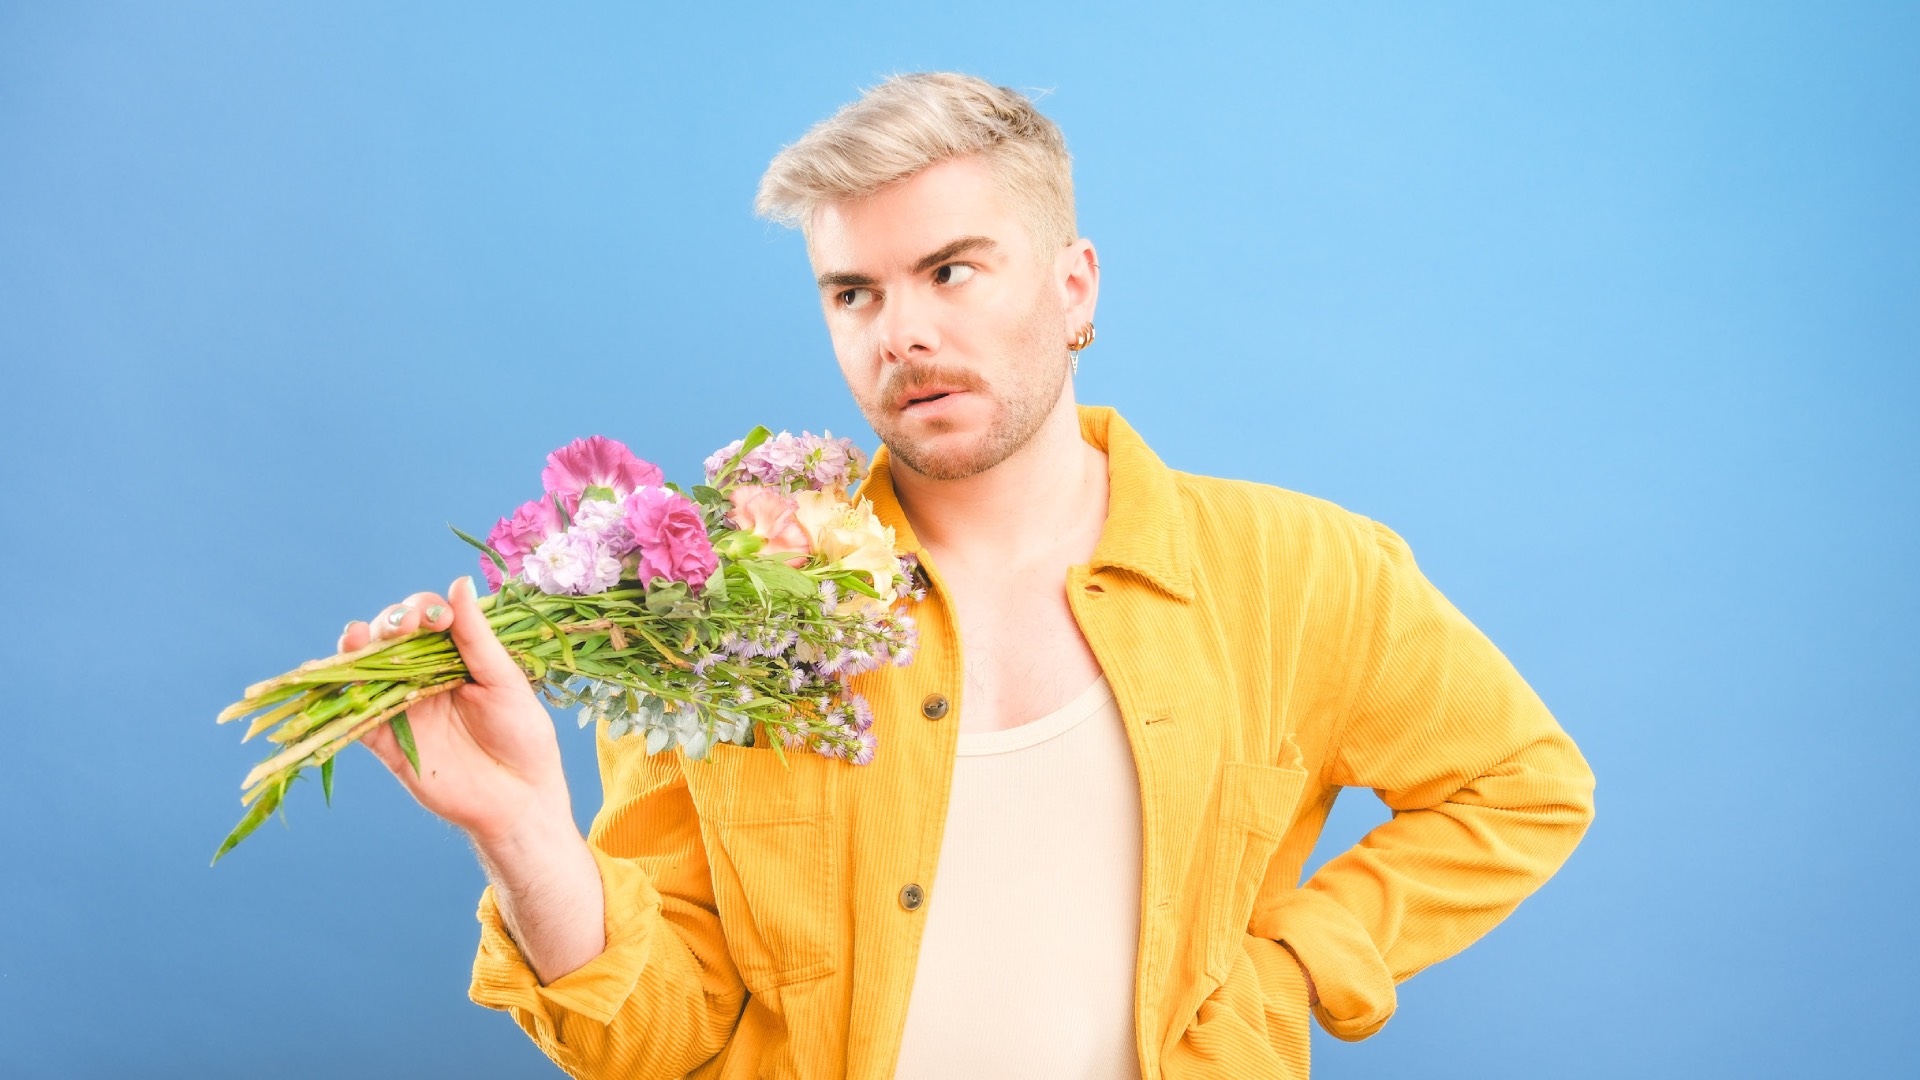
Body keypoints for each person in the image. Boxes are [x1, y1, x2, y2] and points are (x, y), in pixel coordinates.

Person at [337, 71, 1597, 1079]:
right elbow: (660, 1036)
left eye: (951, 270)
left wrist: (1298, 962)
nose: (905, 334)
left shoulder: (1303, 573)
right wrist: (526, 838)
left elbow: (1525, 787)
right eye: (853, 292)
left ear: (1072, 285)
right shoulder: (706, 616)